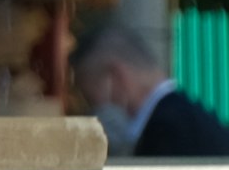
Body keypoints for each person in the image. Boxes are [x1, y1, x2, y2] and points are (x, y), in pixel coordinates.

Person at [73, 22, 229, 159]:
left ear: (115, 78)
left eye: (91, 99)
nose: (93, 110)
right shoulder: (186, 116)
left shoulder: (167, 131)